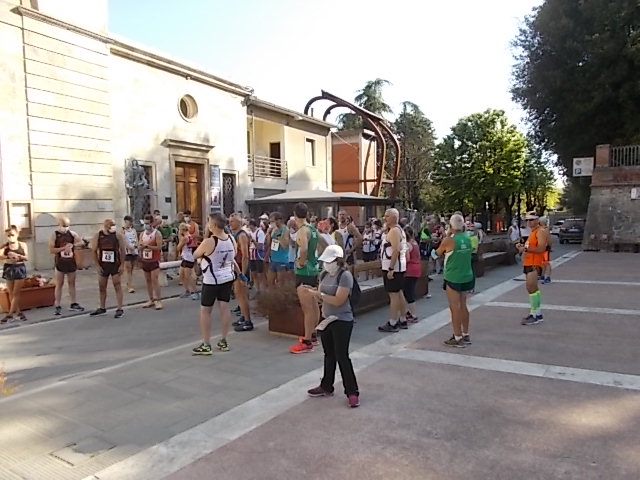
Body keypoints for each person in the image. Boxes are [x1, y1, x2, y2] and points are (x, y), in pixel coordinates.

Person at [305, 244, 360, 408]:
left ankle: (352, 392)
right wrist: (313, 293)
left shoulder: (345, 276)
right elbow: (322, 297)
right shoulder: (323, 274)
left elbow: (338, 300)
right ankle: (326, 385)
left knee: (342, 355)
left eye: (330, 261)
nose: (327, 264)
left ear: (338, 261)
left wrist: (318, 294)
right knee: (329, 354)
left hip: (342, 320)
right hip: (327, 319)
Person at [191, 213, 236, 355]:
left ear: (214, 225)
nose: (207, 225)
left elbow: (195, 254)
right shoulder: (231, 239)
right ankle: (224, 340)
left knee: (205, 311)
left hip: (211, 280)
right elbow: (233, 257)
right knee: (224, 307)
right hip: (227, 277)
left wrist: (206, 236)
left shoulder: (209, 241)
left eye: (209, 222)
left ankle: (206, 344)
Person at [433, 214, 474, 347]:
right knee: (463, 305)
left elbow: (436, 254)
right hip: (467, 275)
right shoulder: (467, 238)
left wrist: (446, 236)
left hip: (453, 276)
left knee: (454, 307)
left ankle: (457, 337)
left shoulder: (449, 240)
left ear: (450, 226)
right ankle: (465, 334)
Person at [290, 202, 320, 354]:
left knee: (307, 308)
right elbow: (319, 247)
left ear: (295, 215)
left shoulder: (302, 231)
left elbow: (304, 249)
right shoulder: (313, 229)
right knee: (314, 305)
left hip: (304, 271)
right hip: (313, 269)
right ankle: (313, 335)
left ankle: (307, 341)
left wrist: (301, 263)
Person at [378, 208, 408, 332]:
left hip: (393, 268)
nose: (385, 218)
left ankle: (393, 322)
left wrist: (391, 268)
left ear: (394, 217)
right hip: (398, 267)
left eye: (387, 216)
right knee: (399, 293)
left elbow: (396, 249)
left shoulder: (395, 230)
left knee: (394, 295)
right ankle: (403, 319)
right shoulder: (397, 230)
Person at [48, 216, 85, 315]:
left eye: (67, 225)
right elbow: (51, 249)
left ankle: (73, 303)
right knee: (59, 284)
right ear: (59, 224)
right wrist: (63, 248)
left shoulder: (72, 234)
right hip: (60, 262)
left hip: (71, 262)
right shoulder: (54, 235)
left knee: (72, 283)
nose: (65, 228)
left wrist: (73, 245)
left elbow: (81, 242)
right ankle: (57, 304)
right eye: (64, 225)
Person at [516, 212, 547, 325]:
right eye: (527, 220)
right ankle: (536, 313)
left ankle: (535, 314)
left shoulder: (540, 231)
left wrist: (525, 249)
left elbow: (541, 248)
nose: (529, 222)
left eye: (531, 220)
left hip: (534, 264)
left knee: (532, 288)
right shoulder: (533, 232)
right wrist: (523, 247)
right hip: (529, 262)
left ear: (537, 220)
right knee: (532, 289)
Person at [90, 219, 126, 318]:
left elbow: (122, 250)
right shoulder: (98, 236)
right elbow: (93, 251)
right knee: (102, 286)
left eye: (114, 225)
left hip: (115, 264)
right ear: (106, 226)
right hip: (103, 264)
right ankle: (102, 307)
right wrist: (97, 265)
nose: (113, 226)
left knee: (117, 285)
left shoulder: (118, 235)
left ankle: (120, 308)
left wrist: (122, 265)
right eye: (111, 225)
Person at [229, 213, 253, 332]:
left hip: (241, 268)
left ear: (239, 222)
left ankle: (248, 321)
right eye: (230, 221)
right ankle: (243, 317)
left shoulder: (242, 235)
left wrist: (242, 273)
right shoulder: (235, 234)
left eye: (232, 221)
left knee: (242, 295)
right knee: (238, 294)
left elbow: (245, 256)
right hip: (236, 268)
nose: (230, 223)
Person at [1, 226, 29, 323]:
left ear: (17, 234)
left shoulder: (22, 245)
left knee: (16, 292)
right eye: (8, 235)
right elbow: (0, 256)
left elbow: (26, 257)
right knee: (11, 292)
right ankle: (18, 312)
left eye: (12, 235)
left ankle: (10, 314)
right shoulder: (5, 246)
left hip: (19, 268)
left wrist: (18, 256)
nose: (10, 237)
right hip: (9, 268)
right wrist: (7, 256)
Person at [139, 214, 163, 310]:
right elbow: (139, 246)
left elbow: (159, 247)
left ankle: (158, 300)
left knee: (154, 280)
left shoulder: (157, 234)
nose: (146, 225)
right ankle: (151, 299)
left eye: (148, 223)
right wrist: (141, 247)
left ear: (152, 223)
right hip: (145, 260)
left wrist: (148, 246)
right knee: (148, 280)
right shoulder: (142, 234)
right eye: (145, 223)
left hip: (154, 259)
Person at [265, 212, 290, 287]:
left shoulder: (285, 229)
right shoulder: (273, 230)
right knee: (270, 282)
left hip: (282, 259)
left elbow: (285, 245)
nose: (271, 223)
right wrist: (268, 234)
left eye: (273, 221)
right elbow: (269, 244)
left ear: (279, 220)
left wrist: (278, 233)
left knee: (281, 284)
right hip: (273, 258)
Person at [403, 226, 421, 323]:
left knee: (408, 292)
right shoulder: (415, 243)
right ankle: (408, 312)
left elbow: (407, 258)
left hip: (409, 270)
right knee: (409, 291)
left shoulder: (407, 244)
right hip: (416, 268)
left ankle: (413, 314)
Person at [177, 222, 197, 299]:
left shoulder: (185, 238)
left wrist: (179, 238)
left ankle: (194, 292)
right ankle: (187, 290)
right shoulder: (188, 236)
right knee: (181, 275)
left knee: (188, 276)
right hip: (185, 257)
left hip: (188, 258)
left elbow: (178, 248)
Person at [248, 219, 266, 295]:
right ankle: (257, 289)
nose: (249, 227)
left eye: (250, 226)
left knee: (260, 273)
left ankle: (262, 289)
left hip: (258, 255)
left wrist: (252, 240)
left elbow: (260, 246)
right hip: (251, 255)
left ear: (253, 225)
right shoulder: (249, 232)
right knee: (253, 273)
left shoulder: (260, 232)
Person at [122, 215, 139, 293]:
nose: (130, 223)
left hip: (134, 251)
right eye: (129, 222)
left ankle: (129, 282)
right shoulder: (122, 230)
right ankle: (129, 285)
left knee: (132, 268)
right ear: (125, 222)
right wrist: (128, 247)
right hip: (127, 251)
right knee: (128, 268)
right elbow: (123, 240)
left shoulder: (133, 230)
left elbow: (136, 239)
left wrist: (136, 246)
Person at [539, 216, 552, 283]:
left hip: (545, 248)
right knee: (542, 262)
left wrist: (549, 246)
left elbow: (549, 240)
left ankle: (547, 277)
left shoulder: (546, 229)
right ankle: (543, 275)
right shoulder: (540, 228)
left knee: (546, 263)